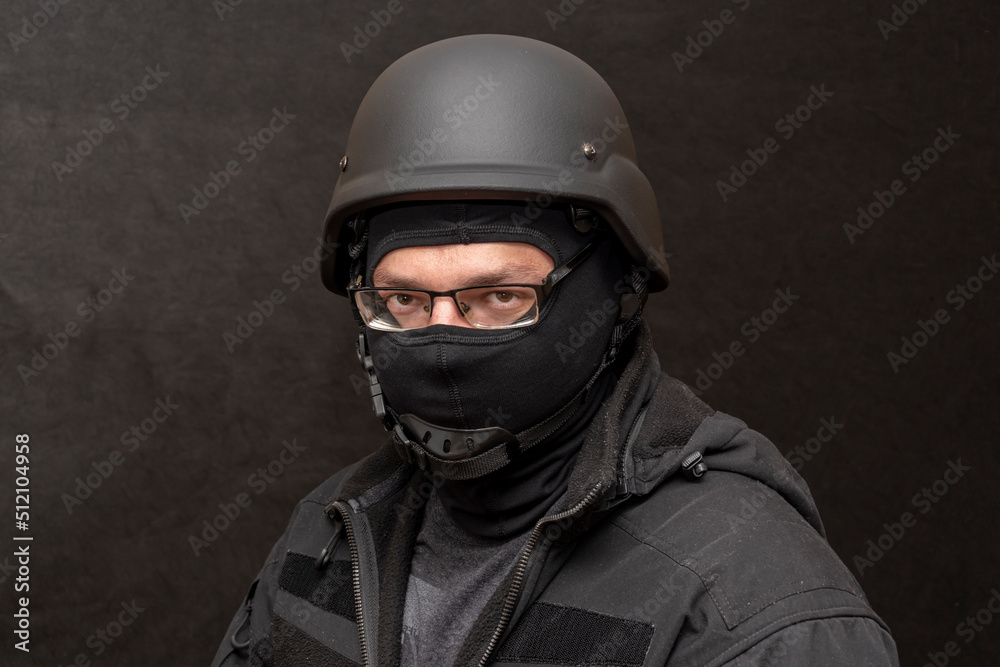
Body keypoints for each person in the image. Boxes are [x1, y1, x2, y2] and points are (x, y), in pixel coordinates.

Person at [211, 34, 900, 666]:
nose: (443, 343)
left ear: (616, 294)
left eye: (500, 296)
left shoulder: (752, 604)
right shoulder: (327, 535)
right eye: (405, 301)